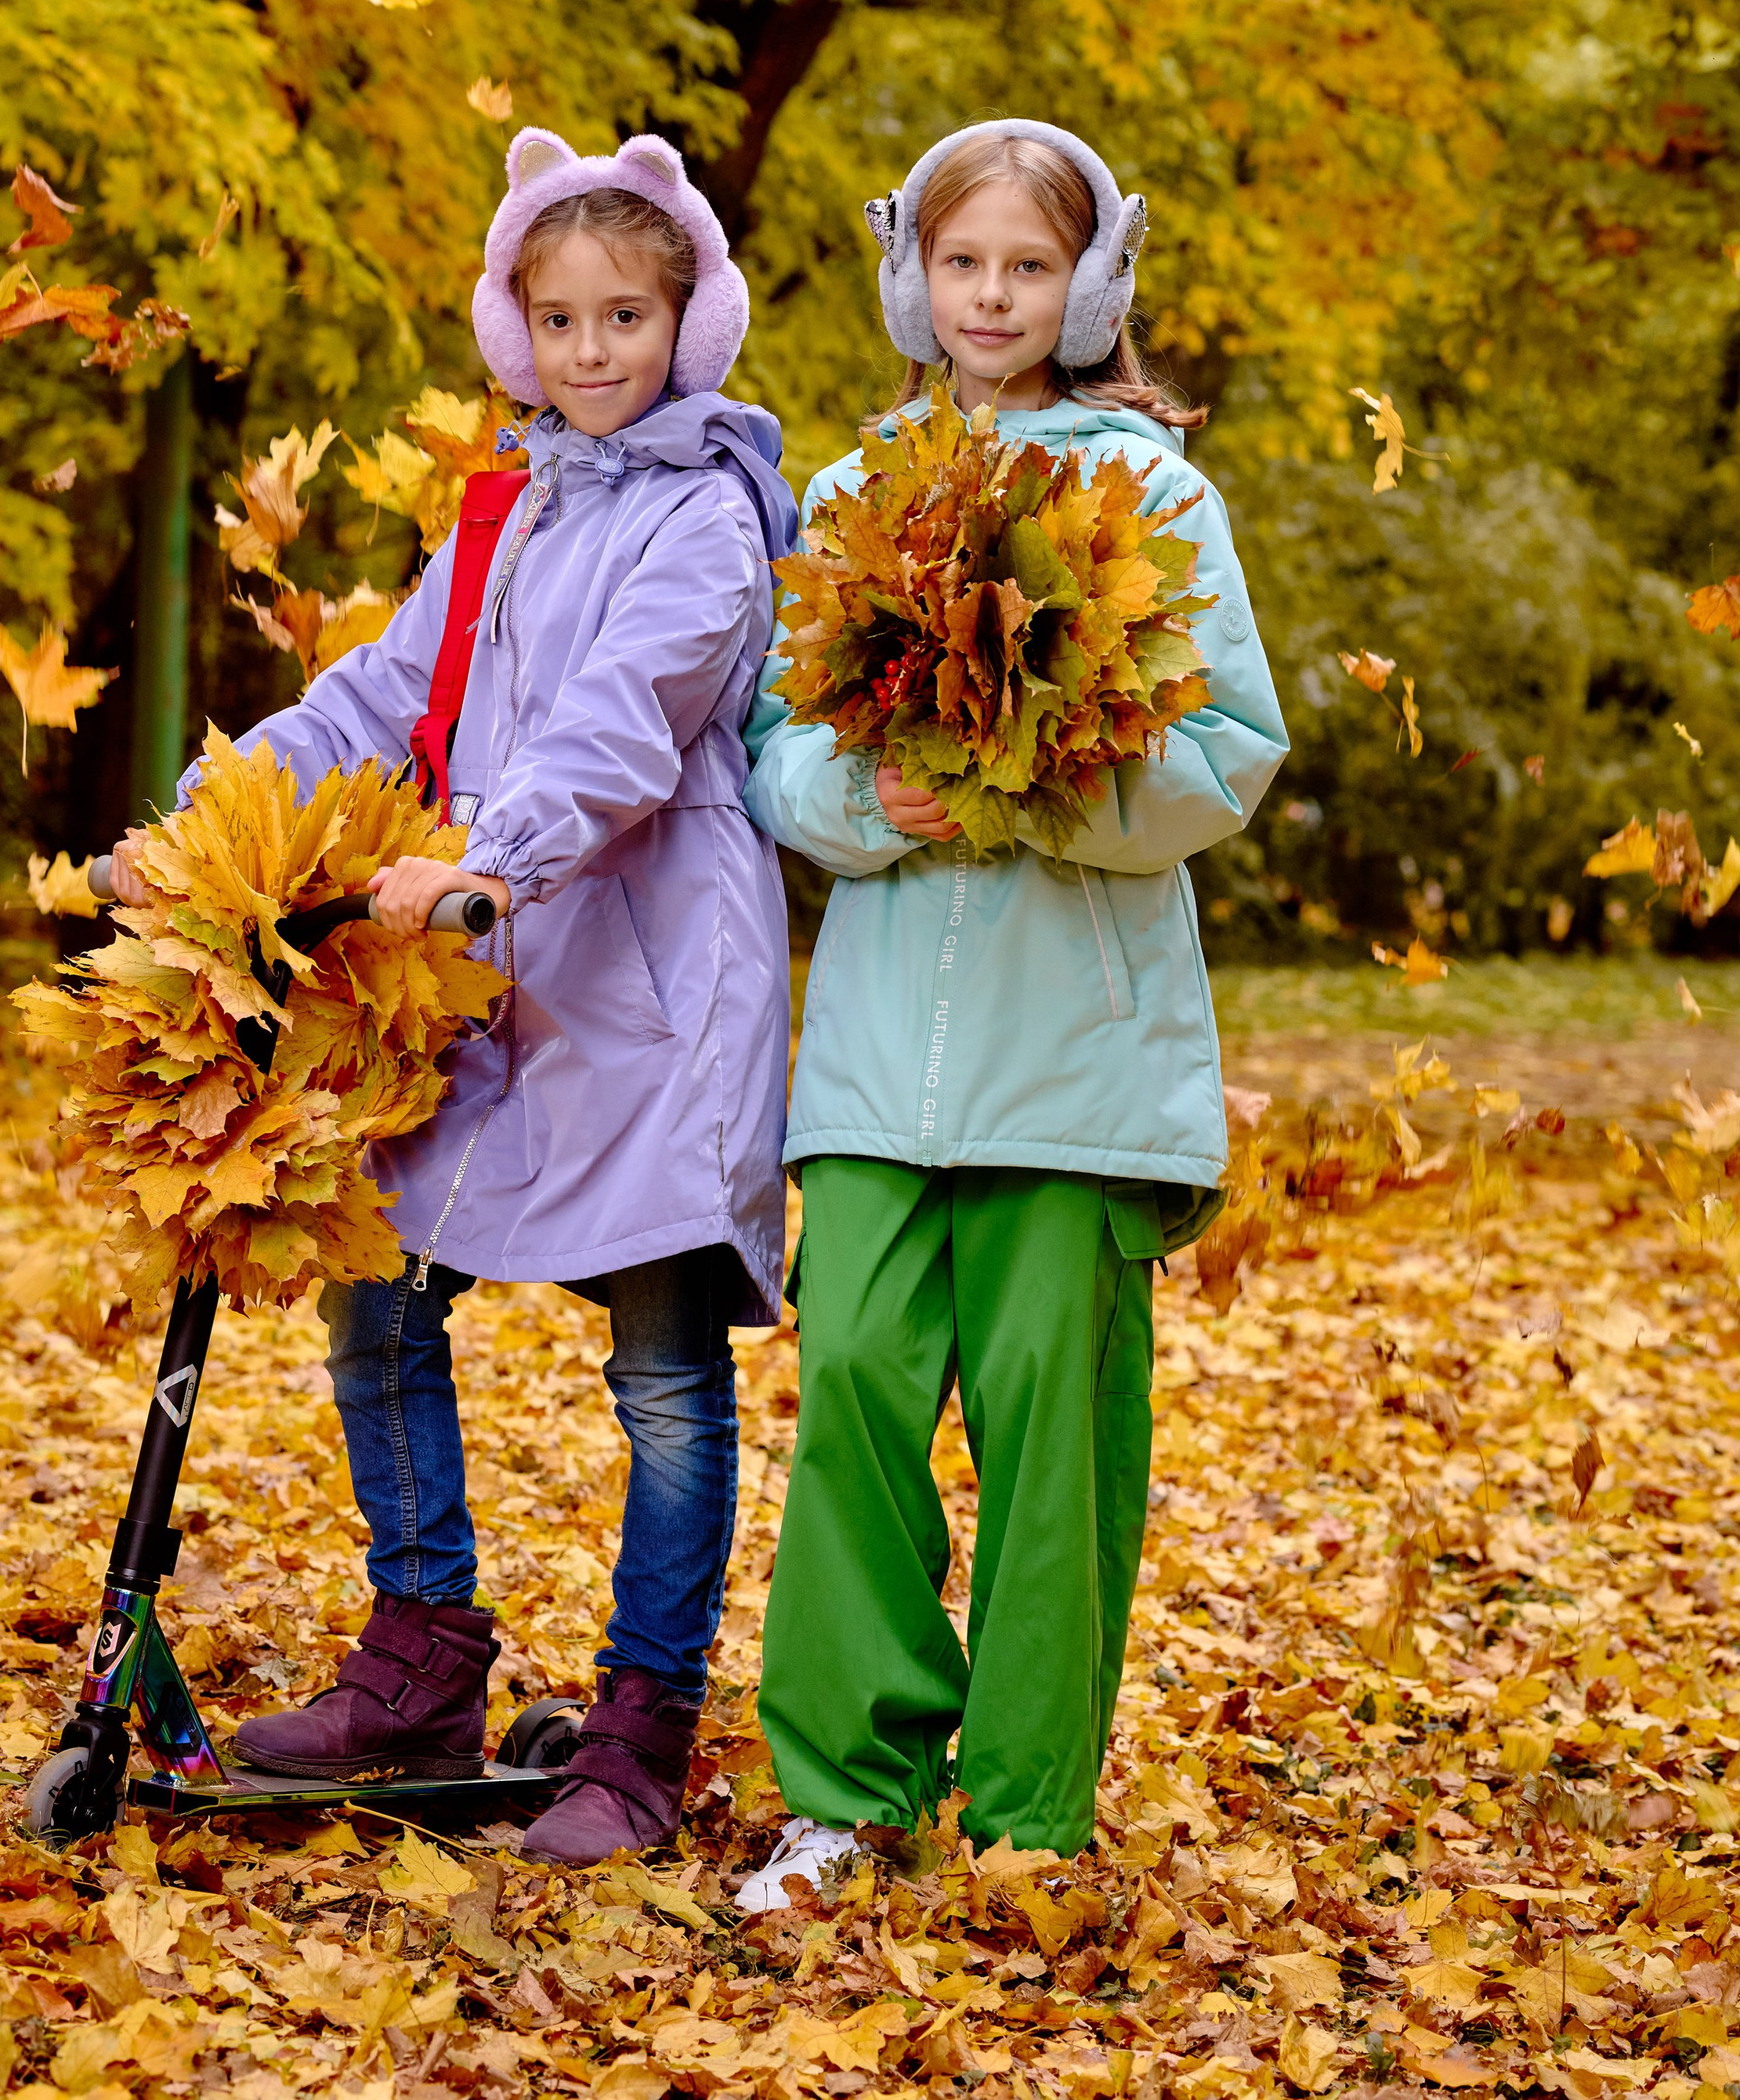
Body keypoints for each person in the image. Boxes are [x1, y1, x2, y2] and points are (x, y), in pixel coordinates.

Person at [109, 128, 798, 1864]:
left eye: (623, 315)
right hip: (474, 957)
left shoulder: (710, 511)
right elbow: (376, 692)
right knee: (384, 1292)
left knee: (656, 1359)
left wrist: (493, 850)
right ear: (514, 329)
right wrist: (207, 826)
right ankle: (421, 1651)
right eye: (556, 318)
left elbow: (625, 721)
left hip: (638, 958)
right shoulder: (506, 504)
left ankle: (641, 1720)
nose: (589, 351)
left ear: (686, 318)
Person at [733, 118, 1287, 1905]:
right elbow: (775, 752)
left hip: (1079, 1066)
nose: (991, 297)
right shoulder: (850, 489)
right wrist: (863, 810)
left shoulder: (1159, 495)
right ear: (912, 274)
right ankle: (845, 1789)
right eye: (962, 263)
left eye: (1028, 267)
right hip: (877, 1063)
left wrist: (1046, 777)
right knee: (852, 1397)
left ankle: (1028, 1815)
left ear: (1091, 282)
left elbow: (1226, 751)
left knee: (1055, 1436)